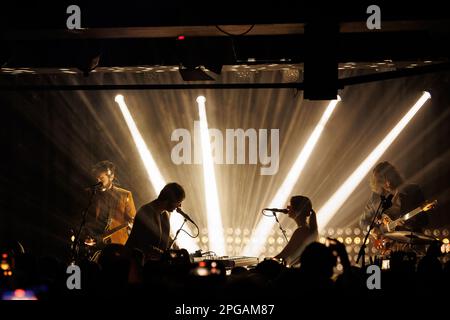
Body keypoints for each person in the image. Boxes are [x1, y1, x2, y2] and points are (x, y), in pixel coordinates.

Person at [359, 161, 428, 252]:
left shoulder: (413, 190)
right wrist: (372, 229)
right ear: (378, 182)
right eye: (383, 181)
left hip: (412, 246)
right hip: (388, 248)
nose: (388, 184)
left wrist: (408, 224)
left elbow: (425, 220)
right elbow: (363, 221)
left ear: (394, 176)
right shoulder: (375, 198)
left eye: (390, 178)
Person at [126, 182, 184, 261]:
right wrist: (167, 255)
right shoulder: (146, 212)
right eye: (179, 201)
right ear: (170, 199)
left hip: (151, 265)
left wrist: (175, 251)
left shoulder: (165, 214)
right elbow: (142, 245)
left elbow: (163, 245)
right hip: (134, 264)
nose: (179, 206)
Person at [84, 160, 136, 247]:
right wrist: (87, 235)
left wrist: (131, 224)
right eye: (96, 178)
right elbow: (86, 218)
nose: (98, 181)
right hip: (95, 243)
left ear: (111, 177)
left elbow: (133, 220)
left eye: (101, 178)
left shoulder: (125, 195)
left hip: (117, 244)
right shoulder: (91, 194)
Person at [274, 195, 318, 266]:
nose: (287, 207)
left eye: (290, 205)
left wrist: (265, 263)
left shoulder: (301, 231)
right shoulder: (304, 229)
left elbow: (284, 254)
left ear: (297, 210)